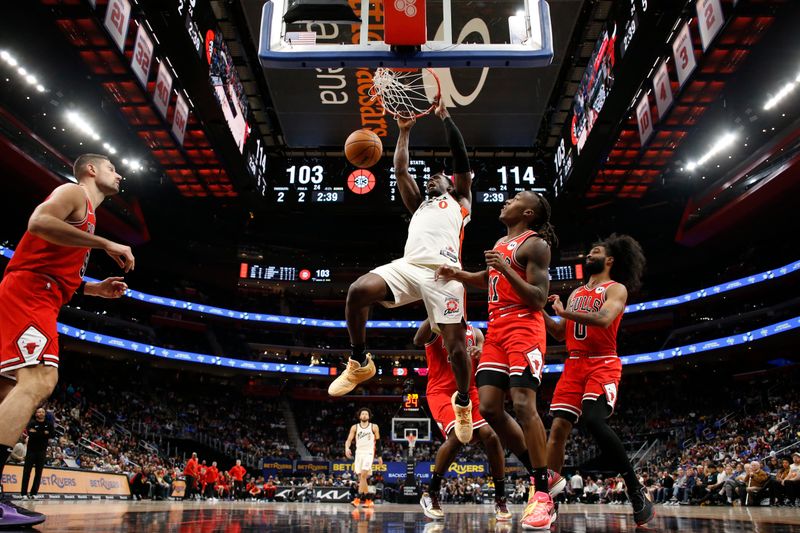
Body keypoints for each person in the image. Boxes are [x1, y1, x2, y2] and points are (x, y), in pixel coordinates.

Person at [330, 101, 476, 443]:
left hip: (446, 274)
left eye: (436, 177)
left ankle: (464, 403)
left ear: (450, 183)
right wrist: (404, 131)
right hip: (409, 267)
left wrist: (445, 118)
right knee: (358, 291)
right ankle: (359, 360)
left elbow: (461, 158)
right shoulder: (419, 206)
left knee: (456, 350)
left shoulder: (461, 201)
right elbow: (400, 170)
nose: (429, 180)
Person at [0, 154, 133, 528]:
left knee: (6, 388)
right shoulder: (74, 192)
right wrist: (105, 243)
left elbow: (60, 272)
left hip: (39, 291)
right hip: (30, 292)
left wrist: (94, 290)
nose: (119, 174)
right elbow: (38, 222)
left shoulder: (87, 218)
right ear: (91, 170)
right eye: (111, 168)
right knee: (40, 379)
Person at [436, 191, 560, 529]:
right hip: (497, 328)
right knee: (489, 408)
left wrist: (506, 268)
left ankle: (541, 494)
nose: (507, 201)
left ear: (529, 213)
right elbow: (488, 279)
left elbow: (537, 298)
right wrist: (458, 274)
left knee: (523, 404)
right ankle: (545, 474)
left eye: (516, 198)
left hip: (524, 326)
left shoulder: (536, 245)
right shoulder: (501, 240)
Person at [542, 234, 653, 525]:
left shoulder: (616, 289)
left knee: (593, 420)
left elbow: (604, 319)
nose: (589, 255)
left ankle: (634, 487)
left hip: (602, 362)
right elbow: (559, 333)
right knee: (557, 428)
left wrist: (567, 312)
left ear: (610, 260)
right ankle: (548, 501)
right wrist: (539, 311)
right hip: (574, 364)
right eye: (589, 252)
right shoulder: (576, 293)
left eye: (596, 251)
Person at [414, 320, 511, 522]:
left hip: (469, 389)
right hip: (441, 391)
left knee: (491, 436)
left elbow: (483, 354)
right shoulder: (435, 327)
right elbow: (417, 340)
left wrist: (479, 351)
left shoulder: (475, 332)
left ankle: (500, 498)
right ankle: (430, 494)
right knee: (457, 437)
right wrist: (432, 312)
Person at [345, 408, 382, 508]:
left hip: (369, 453)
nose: (364, 415)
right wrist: (347, 448)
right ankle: (369, 500)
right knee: (362, 478)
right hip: (359, 454)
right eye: (363, 414)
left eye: (366, 414)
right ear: (359, 416)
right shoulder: (355, 427)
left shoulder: (374, 427)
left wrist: (379, 456)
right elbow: (348, 440)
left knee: (363, 475)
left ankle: (357, 499)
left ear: (369, 416)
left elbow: (378, 442)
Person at [19, 407, 53, 499]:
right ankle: (23, 494)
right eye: (39, 412)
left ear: (45, 414)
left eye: (43, 412)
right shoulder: (31, 423)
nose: (41, 413)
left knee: (38, 473)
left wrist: (38, 432)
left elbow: (51, 434)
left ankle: (34, 493)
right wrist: (44, 433)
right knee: (27, 472)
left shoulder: (49, 424)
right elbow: (32, 434)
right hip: (31, 451)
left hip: (42, 452)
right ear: (36, 414)